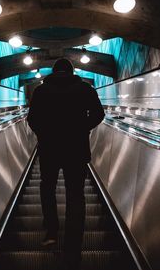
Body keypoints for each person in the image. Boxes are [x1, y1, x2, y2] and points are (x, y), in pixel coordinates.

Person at [27, 58, 105, 269]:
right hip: (76, 149)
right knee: (75, 196)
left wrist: (44, 133)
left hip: (49, 148)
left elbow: (32, 119)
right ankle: (73, 247)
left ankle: (52, 231)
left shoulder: (41, 92)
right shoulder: (85, 89)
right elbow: (99, 114)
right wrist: (83, 127)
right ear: (71, 72)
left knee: (47, 187)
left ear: (54, 72)